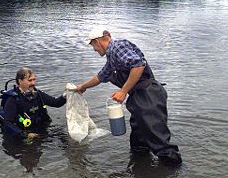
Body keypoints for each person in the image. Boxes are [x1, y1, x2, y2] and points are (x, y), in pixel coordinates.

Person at [76, 26, 182, 165]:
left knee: (158, 140)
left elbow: (138, 65)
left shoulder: (118, 46)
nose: (94, 49)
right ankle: (140, 172)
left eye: (93, 45)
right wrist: (82, 87)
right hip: (138, 97)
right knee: (139, 142)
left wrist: (123, 91)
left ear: (97, 41)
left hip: (148, 95)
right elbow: (101, 76)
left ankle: (173, 172)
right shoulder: (112, 57)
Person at [2, 67, 66, 139]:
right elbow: (7, 123)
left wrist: (65, 95)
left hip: (39, 128)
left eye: (34, 80)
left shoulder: (37, 94)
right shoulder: (13, 99)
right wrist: (25, 135)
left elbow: (56, 103)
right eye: (30, 80)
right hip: (22, 134)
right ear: (20, 81)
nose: (33, 83)